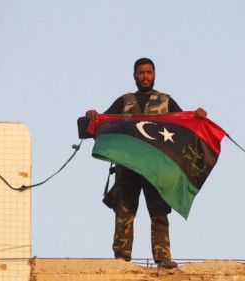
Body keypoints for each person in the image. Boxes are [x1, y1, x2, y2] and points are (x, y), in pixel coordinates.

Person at [85, 58, 207, 269]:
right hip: (128, 166)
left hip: (156, 170)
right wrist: (93, 116)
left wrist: (197, 116)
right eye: (141, 72)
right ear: (134, 75)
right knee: (124, 211)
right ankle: (121, 259)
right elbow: (104, 123)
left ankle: (162, 258)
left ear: (154, 75)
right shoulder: (124, 101)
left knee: (159, 212)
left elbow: (183, 123)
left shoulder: (165, 100)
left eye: (148, 72)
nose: (145, 76)